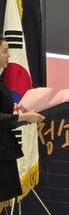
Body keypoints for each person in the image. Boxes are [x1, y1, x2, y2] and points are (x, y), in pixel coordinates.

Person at [0, 36, 44, 205]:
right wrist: (24, 117)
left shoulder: (1, 81)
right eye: (5, 51)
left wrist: (19, 112)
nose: (9, 56)